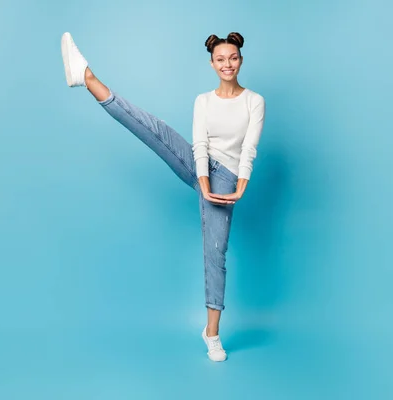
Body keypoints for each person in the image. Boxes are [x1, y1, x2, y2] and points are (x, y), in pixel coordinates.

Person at [60, 31, 265, 362]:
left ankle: (211, 333)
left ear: (240, 60)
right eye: (220, 59)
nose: (227, 64)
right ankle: (86, 76)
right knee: (153, 128)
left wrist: (240, 185)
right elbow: (199, 144)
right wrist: (203, 181)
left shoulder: (254, 101)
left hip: (228, 176)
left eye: (233, 58)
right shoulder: (204, 100)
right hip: (201, 167)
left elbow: (249, 149)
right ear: (212, 63)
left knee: (216, 253)